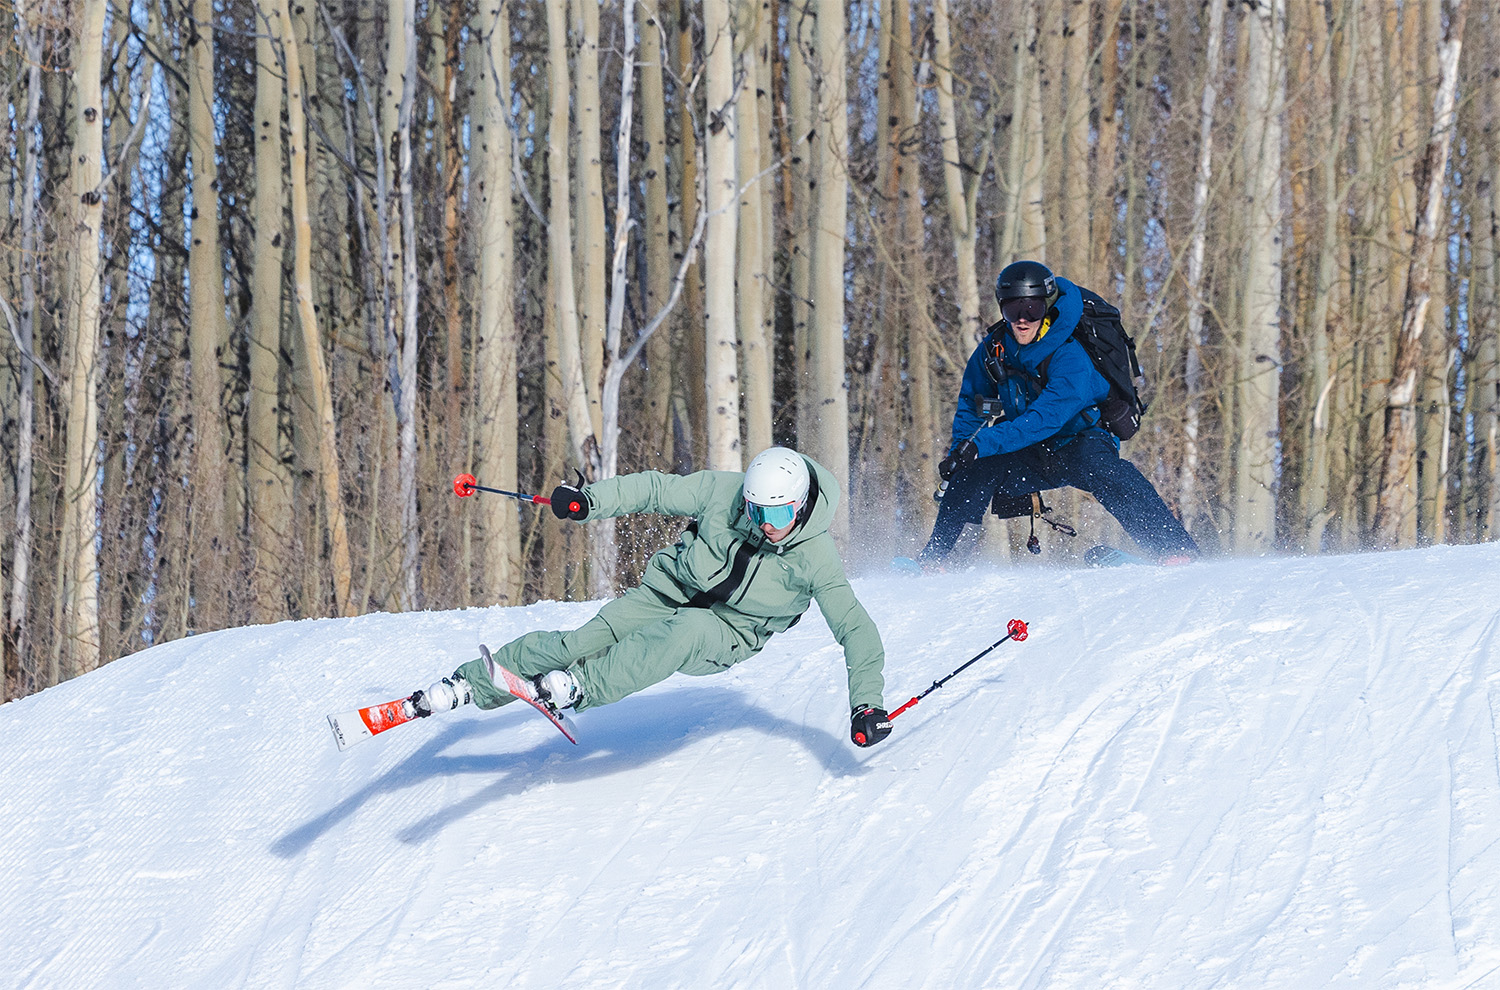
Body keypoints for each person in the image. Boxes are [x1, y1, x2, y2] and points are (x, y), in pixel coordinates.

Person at [407, 447, 893, 748]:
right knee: (578, 642)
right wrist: (589, 502)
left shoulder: (817, 558)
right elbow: (655, 490)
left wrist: (866, 705)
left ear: (802, 504)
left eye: (780, 512)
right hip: (669, 591)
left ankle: (578, 688)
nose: (765, 523)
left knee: (687, 631)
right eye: (756, 508)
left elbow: (856, 630)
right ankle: (465, 687)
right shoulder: (721, 493)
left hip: (728, 631)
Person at [917, 260, 1198, 565]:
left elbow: (1045, 419)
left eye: (1032, 310)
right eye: (1013, 310)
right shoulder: (993, 350)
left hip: (1080, 441)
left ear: (1047, 308)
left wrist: (981, 444)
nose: (1022, 320)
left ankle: (1174, 551)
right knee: (972, 469)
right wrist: (964, 448)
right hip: (1028, 449)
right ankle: (940, 560)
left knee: (1106, 471)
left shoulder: (1070, 356)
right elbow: (974, 405)